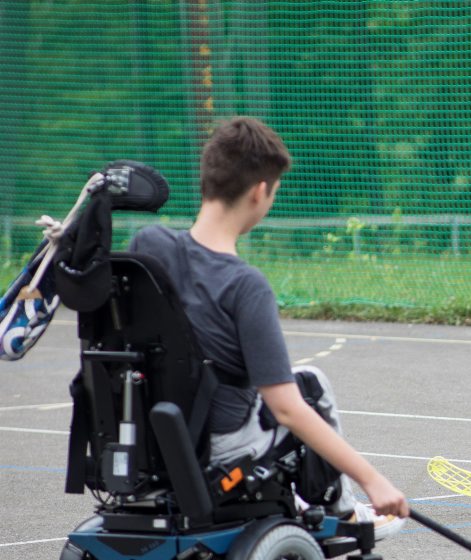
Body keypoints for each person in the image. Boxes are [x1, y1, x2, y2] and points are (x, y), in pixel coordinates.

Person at [129, 116, 409, 536]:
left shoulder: (148, 247)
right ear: (260, 192)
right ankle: (344, 512)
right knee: (310, 387)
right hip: (218, 448)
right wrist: (373, 478)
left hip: (149, 432)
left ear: (208, 178)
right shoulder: (245, 286)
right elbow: (285, 408)